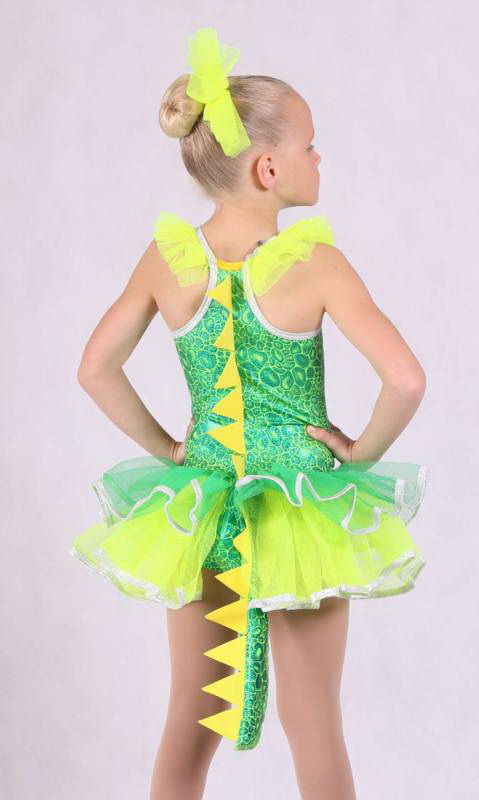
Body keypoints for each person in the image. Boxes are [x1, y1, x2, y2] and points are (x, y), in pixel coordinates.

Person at [70, 26, 428, 800]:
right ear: (268, 167)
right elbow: (403, 379)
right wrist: (359, 455)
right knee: (314, 724)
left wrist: (170, 451)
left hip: (201, 506)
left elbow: (95, 368)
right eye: (309, 145)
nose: (318, 158)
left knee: (189, 719)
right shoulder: (317, 265)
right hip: (299, 509)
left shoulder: (167, 260)